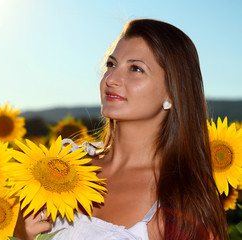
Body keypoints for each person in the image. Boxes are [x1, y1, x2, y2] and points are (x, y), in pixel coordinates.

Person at [16, 19, 229, 240]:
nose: (111, 79)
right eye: (111, 64)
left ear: (173, 92)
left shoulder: (181, 207)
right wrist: (20, 235)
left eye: (136, 69)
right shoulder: (61, 166)